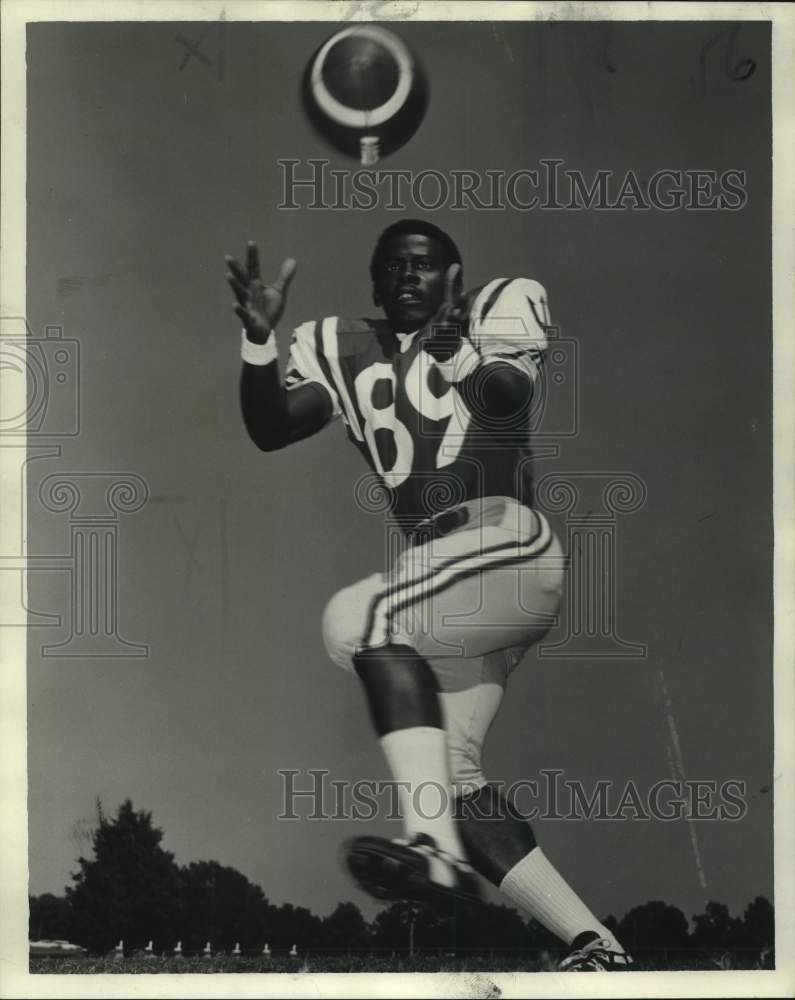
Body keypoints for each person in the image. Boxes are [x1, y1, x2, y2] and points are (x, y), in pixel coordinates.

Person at [226, 220, 632, 971]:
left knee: (357, 616)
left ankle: (432, 851)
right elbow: (271, 427)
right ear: (374, 282)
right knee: (453, 777)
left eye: (423, 264)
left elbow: (503, 416)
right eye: (391, 266)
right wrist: (258, 342)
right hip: (446, 582)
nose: (407, 276)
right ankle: (595, 944)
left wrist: (458, 356)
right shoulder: (337, 345)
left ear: (455, 275)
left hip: (504, 542)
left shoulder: (494, 311)